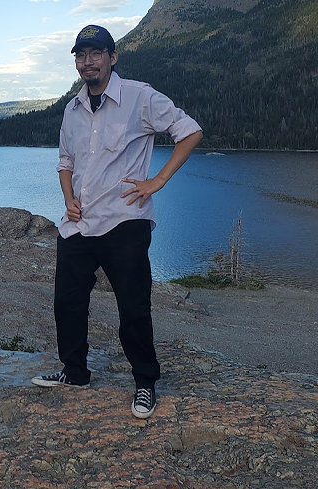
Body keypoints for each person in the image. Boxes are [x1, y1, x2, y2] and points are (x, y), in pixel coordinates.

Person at [31, 25, 203, 419]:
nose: (87, 61)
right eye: (81, 55)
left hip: (125, 220)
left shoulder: (140, 97)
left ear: (113, 57)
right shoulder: (73, 109)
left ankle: (145, 383)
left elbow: (189, 131)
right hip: (79, 222)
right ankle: (75, 372)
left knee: (134, 307)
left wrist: (157, 181)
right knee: (67, 302)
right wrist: (69, 199)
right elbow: (65, 162)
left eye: (95, 53)